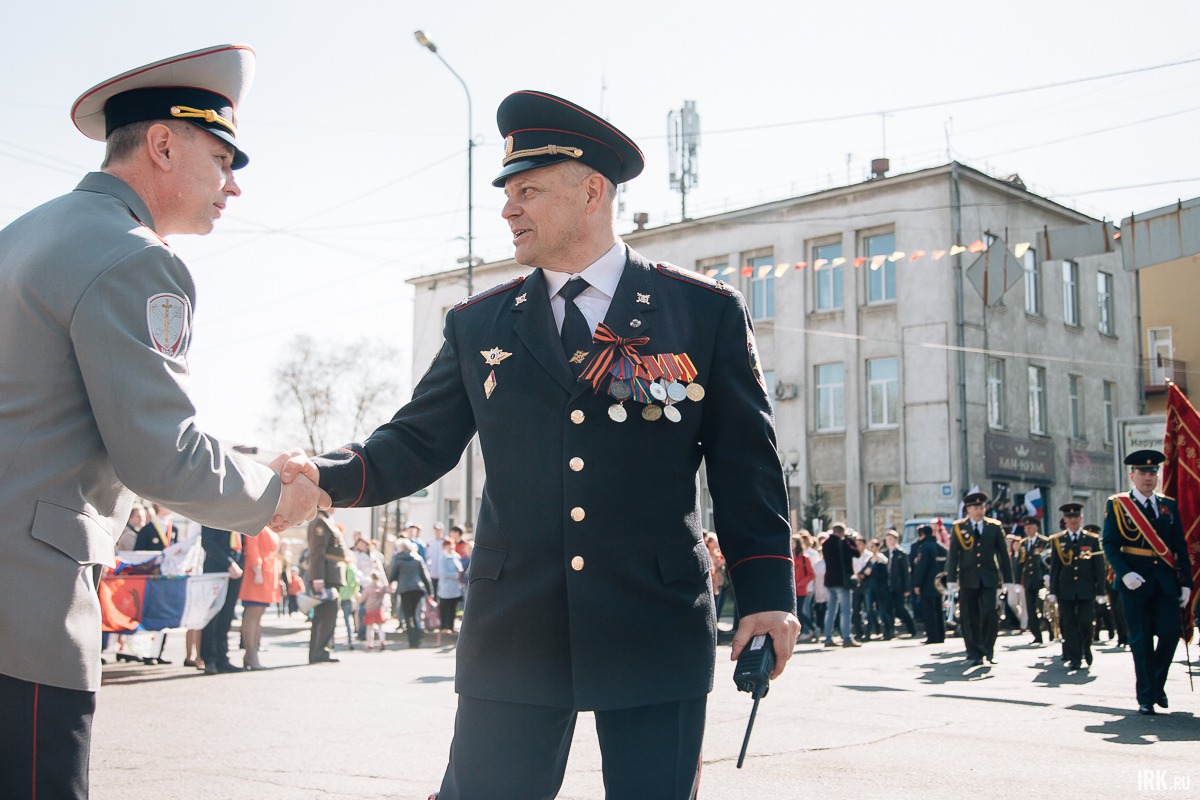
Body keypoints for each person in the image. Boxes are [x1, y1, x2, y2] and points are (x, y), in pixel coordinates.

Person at [287, 89, 799, 800]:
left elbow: (748, 467)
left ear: (592, 192)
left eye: (527, 191)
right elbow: (416, 441)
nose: (508, 209)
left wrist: (768, 595)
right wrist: (324, 476)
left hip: (651, 617)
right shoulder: (480, 324)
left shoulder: (700, 311)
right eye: (507, 193)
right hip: (515, 625)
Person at [0, 43, 329, 800]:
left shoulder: (22, 233)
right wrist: (274, 497)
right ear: (161, 144)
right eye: (222, 159)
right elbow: (161, 455)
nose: (233, 185)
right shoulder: (134, 257)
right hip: (27, 609)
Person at [1100, 449, 1193, 715]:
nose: (1148, 477)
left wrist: (1186, 583)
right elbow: (1110, 544)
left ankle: (1156, 684)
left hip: (1165, 581)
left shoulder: (1168, 506)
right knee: (1140, 640)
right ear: (1132, 475)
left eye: (1153, 472)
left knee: (1170, 633)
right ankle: (1146, 696)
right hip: (1135, 582)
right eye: (1143, 472)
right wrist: (1124, 573)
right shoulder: (1118, 505)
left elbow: (1179, 545)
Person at [946, 492, 1013, 666]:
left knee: (989, 613)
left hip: (989, 577)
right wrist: (951, 579)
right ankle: (974, 652)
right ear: (968, 510)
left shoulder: (994, 526)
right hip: (968, 578)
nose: (979, 511)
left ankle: (988, 649)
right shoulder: (959, 527)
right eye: (975, 508)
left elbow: (1003, 554)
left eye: (981, 507)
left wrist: (1008, 579)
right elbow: (953, 555)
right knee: (969, 616)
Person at [1046, 503, 1106, 671]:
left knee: (1086, 621)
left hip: (1086, 588)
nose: (1073, 520)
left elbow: (1099, 567)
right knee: (1069, 624)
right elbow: (1055, 567)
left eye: (1075, 517)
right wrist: (1053, 590)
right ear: (1064, 519)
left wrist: (1101, 590)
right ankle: (1075, 657)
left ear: (1081, 518)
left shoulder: (1091, 539)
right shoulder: (1058, 540)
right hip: (1065, 589)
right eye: (1069, 517)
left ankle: (1086, 646)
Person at [199, 527, 244, 674]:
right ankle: (210, 660)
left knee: (226, 616)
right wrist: (228, 563)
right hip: (216, 569)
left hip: (235, 572)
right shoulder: (212, 515)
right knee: (213, 616)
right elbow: (208, 542)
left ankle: (222, 658)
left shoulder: (238, 518)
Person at [306, 510, 349, 664]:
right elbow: (317, 551)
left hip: (329, 576)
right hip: (326, 576)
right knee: (327, 617)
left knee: (324, 616)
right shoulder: (320, 521)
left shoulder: (326, 520)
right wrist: (318, 578)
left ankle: (319, 652)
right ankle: (321, 651)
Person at [239, 526, 281, 670]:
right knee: (253, 613)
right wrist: (256, 569)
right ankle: (251, 654)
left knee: (258, 614)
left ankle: (252, 653)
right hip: (258, 573)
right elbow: (252, 548)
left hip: (267, 572)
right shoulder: (257, 524)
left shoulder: (269, 527)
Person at [388, 539, 435, 649]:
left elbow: (392, 575)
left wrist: (390, 582)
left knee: (407, 615)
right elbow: (425, 576)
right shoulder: (418, 558)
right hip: (418, 589)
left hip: (405, 590)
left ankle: (412, 640)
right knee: (416, 614)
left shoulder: (398, 559)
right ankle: (418, 637)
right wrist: (430, 592)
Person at [822, 524, 859, 647]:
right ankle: (847, 637)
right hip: (842, 581)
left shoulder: (825, 544)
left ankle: (827, 637)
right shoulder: (843, 543)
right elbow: (856, 553)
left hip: (829, 581)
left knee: (830, 610)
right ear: (842, 532)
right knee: (846, 611)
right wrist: (850, 540)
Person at [1015, 516, 1049, 644]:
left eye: (1031, 527)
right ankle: (1037, 635)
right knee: (1031, 609)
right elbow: (1020, 564)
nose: (1028, 529)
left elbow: (1048, 561)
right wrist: (1017, 582)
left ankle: (1051, 631)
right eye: (1026, 527)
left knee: (1043, 607)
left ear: (1036, 527)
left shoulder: (1044, 542)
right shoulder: (1023, 544)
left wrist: (1047, 575)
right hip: (1028, 581)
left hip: (1041, 580)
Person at [911, 525, 946, 643]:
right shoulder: (941, 547)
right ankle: (941, 635)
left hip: (927, 583)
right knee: (939, 610)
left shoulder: (924, 547)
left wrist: (917, 584)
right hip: (940, 583)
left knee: (929, 611)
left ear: (922, 534)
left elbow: (922, 567)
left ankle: (932, 636)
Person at [883, 530, 916, 639]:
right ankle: (889, 631)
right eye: (887, 539)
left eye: (891, 539)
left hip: (899, 586)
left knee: (900, 608)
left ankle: (911, 627)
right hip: (887, 585)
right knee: (888, 609)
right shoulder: (884, 553)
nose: (889, 541)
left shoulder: (901, 553)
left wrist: (907, 588)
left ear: (896, 540)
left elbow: (906, 572)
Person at [436, 537, 465, 633]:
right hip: (446, 586)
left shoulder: (457, 556)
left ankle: (451, 626)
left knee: (453, 607)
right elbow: (443, 573)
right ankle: (444, 626)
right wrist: (455, 575)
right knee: (445, 607)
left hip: (455, 587)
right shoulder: (443, 558)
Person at [360, 570, 391, 650]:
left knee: (370, 628)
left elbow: (362, 599)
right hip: (379, 609)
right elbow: (390, 590)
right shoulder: (382, 587)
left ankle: (370, 643)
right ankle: (382, 641)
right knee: (381, 627)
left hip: (370, 609)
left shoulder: (368, 588)